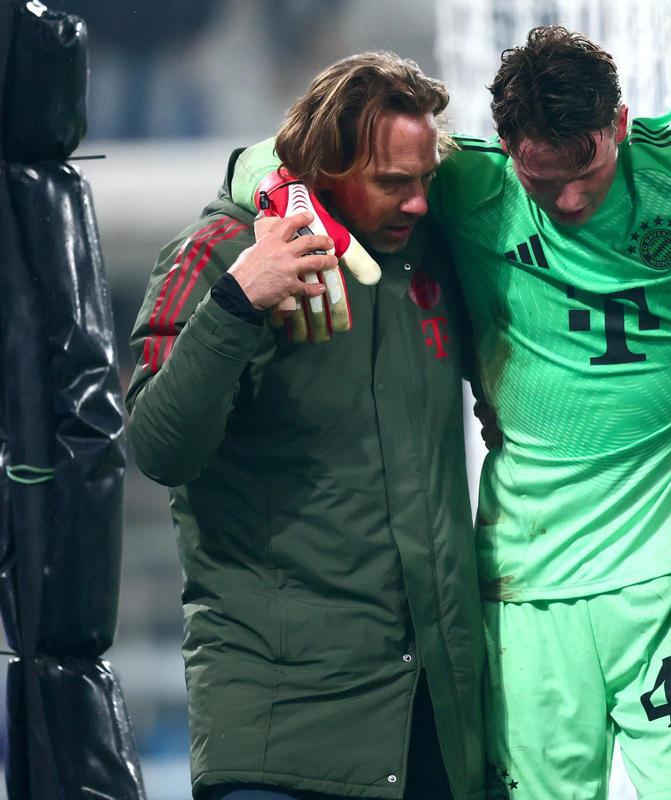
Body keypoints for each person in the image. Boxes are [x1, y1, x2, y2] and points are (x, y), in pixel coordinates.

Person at [228, 26, 671, 799]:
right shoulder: (468, 182)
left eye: (587, 171)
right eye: (544, 181)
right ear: (507, 149)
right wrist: (289, 192)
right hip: (526, 581)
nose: (571, 199)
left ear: (619, 124)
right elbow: (263, 159)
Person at [126, 53, 485, 800]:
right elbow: (159, 447)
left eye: (425, 180)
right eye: (394, 183)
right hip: (277, 735)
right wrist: (237, 303)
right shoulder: (219, 253)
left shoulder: (428, 249)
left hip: (430, 727)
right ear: (325, 168)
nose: (419, 202)